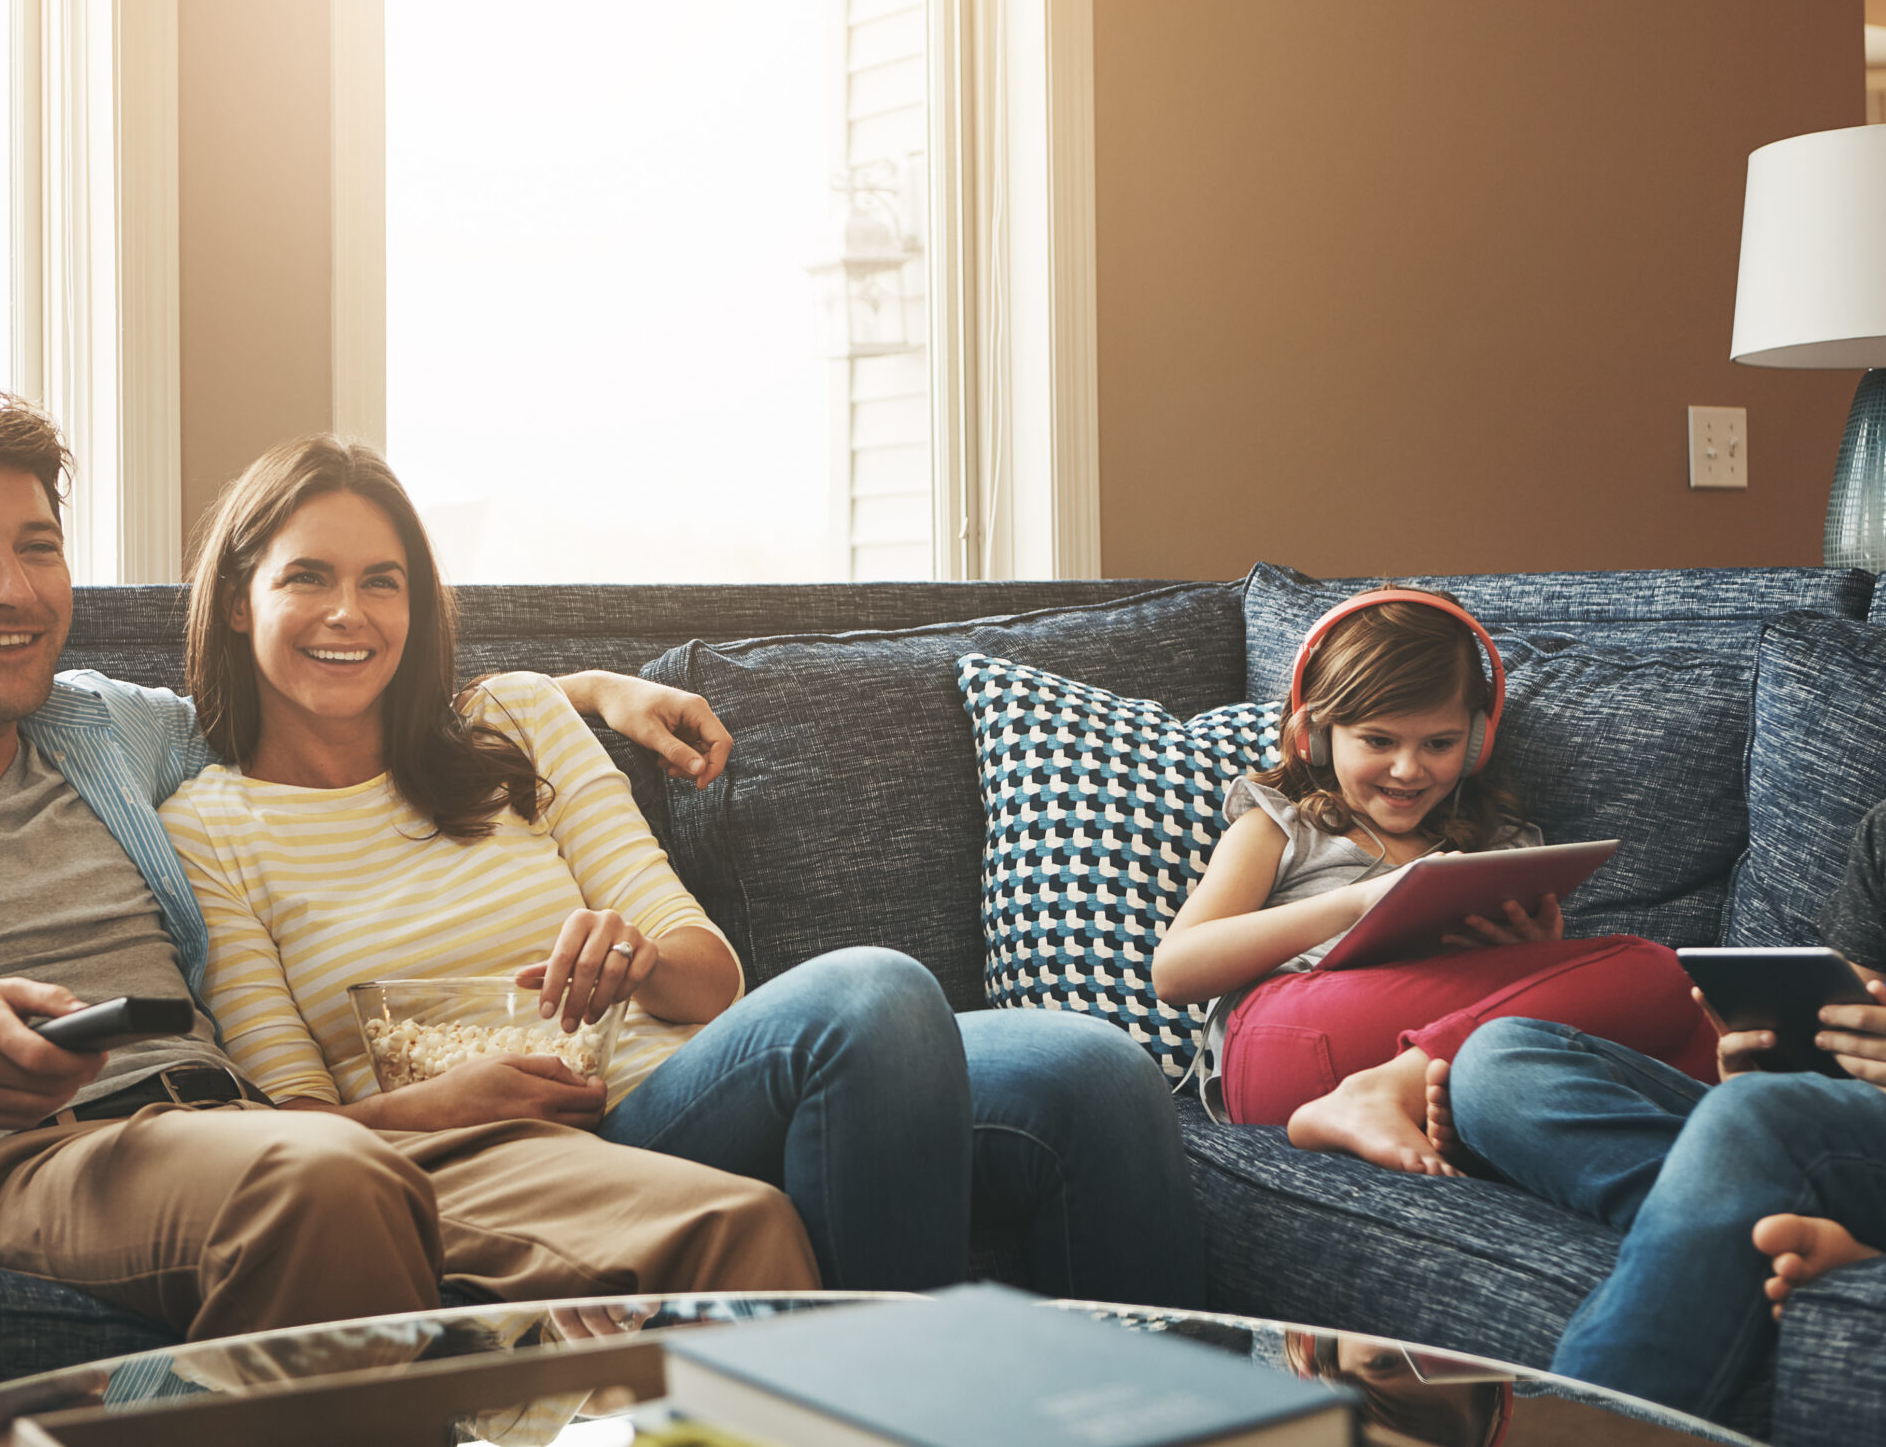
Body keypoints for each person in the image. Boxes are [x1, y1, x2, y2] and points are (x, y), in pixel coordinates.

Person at [0, 392, 816, 1341]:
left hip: (237, 1136)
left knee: (732, 1228)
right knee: (322, 1173)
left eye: (36, 546)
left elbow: (327, 683)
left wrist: (579, 693)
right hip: (14, 1170)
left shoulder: (109, 729)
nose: (13, 590)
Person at [159, 433, 1206, 1303]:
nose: (350, 614)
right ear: (242, 600)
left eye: (380, 583)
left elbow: (714, 980)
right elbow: (284, 1128)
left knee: (1095, 1073)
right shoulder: (209, 828)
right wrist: (435, 1106)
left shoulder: (516, 718)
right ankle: (893, 1405)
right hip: (510, 1158)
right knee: (874, 994)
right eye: (308, 577)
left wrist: (640, 959)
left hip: (679, 1091)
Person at [1438, 484, 1886, 1424]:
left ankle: (1596, 1413)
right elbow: (1847, 1012)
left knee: (1765, 1129)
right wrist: (1770, 1056)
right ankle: (1785, 1210)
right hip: (1872, 1139)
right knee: (1502, 1062)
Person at [1151, 587, 1712, 1174]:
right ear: (1314, 734)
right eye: (1378, 740)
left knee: (1679, 1009)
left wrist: (1530, 959)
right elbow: (1175, 973)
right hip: (1282, 1041)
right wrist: (1364, 899)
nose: (1408, 769)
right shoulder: (1281, 828)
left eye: (1439, 744)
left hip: (1433, 1056)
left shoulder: (1502, 846)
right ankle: (1375, 1094)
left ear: (1475, 743)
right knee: (1650, 967)